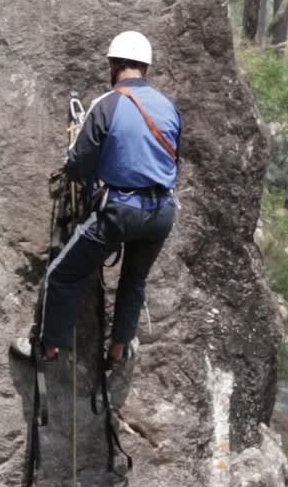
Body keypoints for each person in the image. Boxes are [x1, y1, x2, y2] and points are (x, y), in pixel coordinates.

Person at [14, 30, 180, 369]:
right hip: (161, 211)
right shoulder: (169, 108)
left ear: (113, 64)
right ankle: (118, 350)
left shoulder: (108, 104)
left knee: (64, 273)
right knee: (134, 280)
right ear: (145, 67)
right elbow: (172, 159)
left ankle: (47, 349)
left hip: (119, 211)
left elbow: (78, 164)